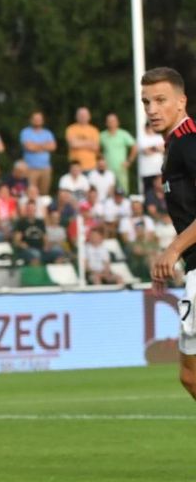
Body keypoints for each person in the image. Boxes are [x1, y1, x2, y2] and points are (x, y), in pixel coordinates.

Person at [141, 67, 196, 400]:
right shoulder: (176, 146)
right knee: (189, 375)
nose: (152, 109)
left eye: (160, 100)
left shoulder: (188, 142)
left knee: (190, 375)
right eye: (146, 101)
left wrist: (173, 250)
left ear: (181, 101)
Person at [20, 111, 57, 195]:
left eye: (39, 119)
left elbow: (53, 147)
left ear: (42, 121)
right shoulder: (25, 132)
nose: (37, 121)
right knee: (30, 193)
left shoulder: (47, 133)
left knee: (44, 193)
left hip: (45, 168)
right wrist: (44, 146)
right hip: (30, 168)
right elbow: (29, 147)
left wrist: (35, 146)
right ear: (31, 120)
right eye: (35, 119)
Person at [99, 113, 138, 193]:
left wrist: (129, 161)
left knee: (123, 192)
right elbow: (96, 150)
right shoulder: (102, 135)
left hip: (121, 169)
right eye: (109, 121)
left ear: (117, 122)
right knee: (108, 191)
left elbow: (134, 147)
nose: (111, 123)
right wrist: (101, 161)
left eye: (113, 121)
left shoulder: (123, 134)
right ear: (106, 123)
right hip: (107, 170)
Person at [137, 122, 165, 202]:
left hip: (159, 170)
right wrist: (157, 148)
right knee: (148, 192)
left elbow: (163, 149)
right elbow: (146, 151)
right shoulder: (142, 138)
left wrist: (152, 148)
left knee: (163, 190)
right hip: (147, 171)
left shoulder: (159, 137)